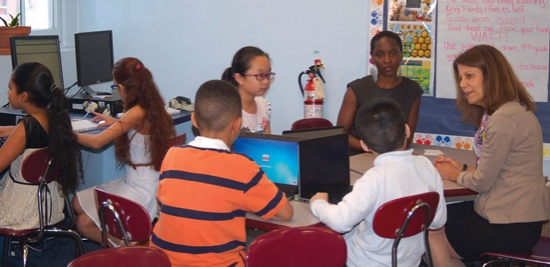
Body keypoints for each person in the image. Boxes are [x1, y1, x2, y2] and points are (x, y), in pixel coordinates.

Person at [151, 80, 293, 267]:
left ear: (194, 120)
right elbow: (286, 213)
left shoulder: (172, 155)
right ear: (237, 124)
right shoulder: (243, 168)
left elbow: (165, 206)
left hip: (164, 262)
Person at [429, 45, 549, 266]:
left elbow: (483, 182)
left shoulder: (503, 120)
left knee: (429, 229)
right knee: (437, 216)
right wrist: (461, 169)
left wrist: (454, 175)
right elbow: (502, 171)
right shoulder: (511, 110)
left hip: (510, 226)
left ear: (491, 76)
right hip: (513, 218)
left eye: (469, 76)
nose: (463, 84)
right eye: (460, 77)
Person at [309, 97, 446, 266]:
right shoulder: (427, 167)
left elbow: (340, 222)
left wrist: (318, 203)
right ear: (407, 130)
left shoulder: (373, 179)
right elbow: (438, 221)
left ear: (365, 145)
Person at [72, 57, 175, 245]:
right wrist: (115, 123)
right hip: (141, 178)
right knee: (78, 203)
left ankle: (130, 254)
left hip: (142, 186)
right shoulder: (150, 105)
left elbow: (96, 143)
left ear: (122, 87)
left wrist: (68, 133)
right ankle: (130, 247)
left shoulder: (136, 112)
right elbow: (138, 127)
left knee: (83, 224)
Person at [0, 62, 83, 229]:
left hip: (22, 209)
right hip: (49, 203)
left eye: (10, 88)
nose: (7, 93)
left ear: (23, 96)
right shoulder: (55, 116)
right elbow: (10, 132)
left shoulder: (26, 127)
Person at [337, 31, 423, 152]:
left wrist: (387, 154)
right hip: (360, 157)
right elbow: (340, 134)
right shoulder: (356, 90)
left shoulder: (412, 90)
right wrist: (369, 148)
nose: (387, 60)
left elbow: (407, 138)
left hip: (394, 159)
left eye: (393, 53)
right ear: (372, 57)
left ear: (401, 55)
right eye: (380, 54)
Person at [221, 46, 275, 134]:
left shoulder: (264, 105)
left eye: (268, 74)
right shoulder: (228, 111)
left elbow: (268, 141)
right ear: (239, 78)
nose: (266, 81)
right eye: (260, 75)